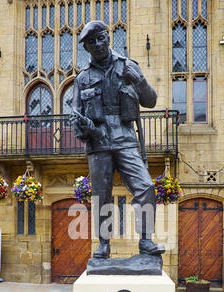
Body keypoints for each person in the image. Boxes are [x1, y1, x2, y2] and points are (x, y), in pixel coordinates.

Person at [71, 20, 165, 259]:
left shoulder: (127, 67)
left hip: (125, 139)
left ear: (108, 37)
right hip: (98, 143)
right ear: (87, 48)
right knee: (101, 195)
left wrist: (140, 81)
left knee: (146, 187)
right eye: (91, 42)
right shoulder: (82, 79)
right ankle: (104, 243)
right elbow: (75, 115)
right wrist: (83, 127)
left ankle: (145, 241)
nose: (98, 44)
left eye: (100, 38)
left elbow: (151, 101)